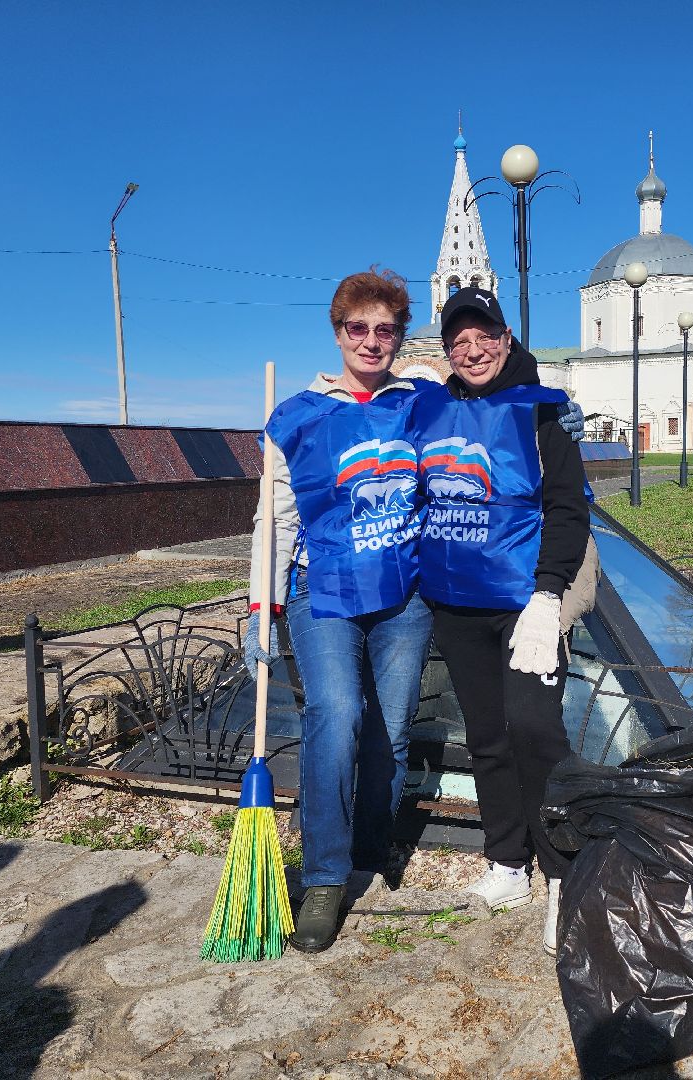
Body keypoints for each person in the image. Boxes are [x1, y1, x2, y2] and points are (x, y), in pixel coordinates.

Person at [244, 268, 436, 953]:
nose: (372, 340)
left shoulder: (418, 406)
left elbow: (483, 414)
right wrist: (259, 605)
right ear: (338, 333)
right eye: (359, 327)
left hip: (403, 598)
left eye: (386, 329)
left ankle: (370, 847)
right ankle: (324, 878)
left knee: (390, 728)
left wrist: (547, 414)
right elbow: (276, 516)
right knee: (336, 713)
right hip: (320, 589)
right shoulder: (300, 414)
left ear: (400, 337)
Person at [412, 287, 592, 957]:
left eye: (483, 335)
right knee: (487, 736)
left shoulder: (543, 412)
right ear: (446, 352)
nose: (473, 349)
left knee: (536, 729)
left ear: (507, 338)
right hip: (457, 604)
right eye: (459, 341)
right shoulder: (435, 411)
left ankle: (566, 875)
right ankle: (508, 865)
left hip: (523, 603)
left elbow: (569, 509)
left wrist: (547, 596)